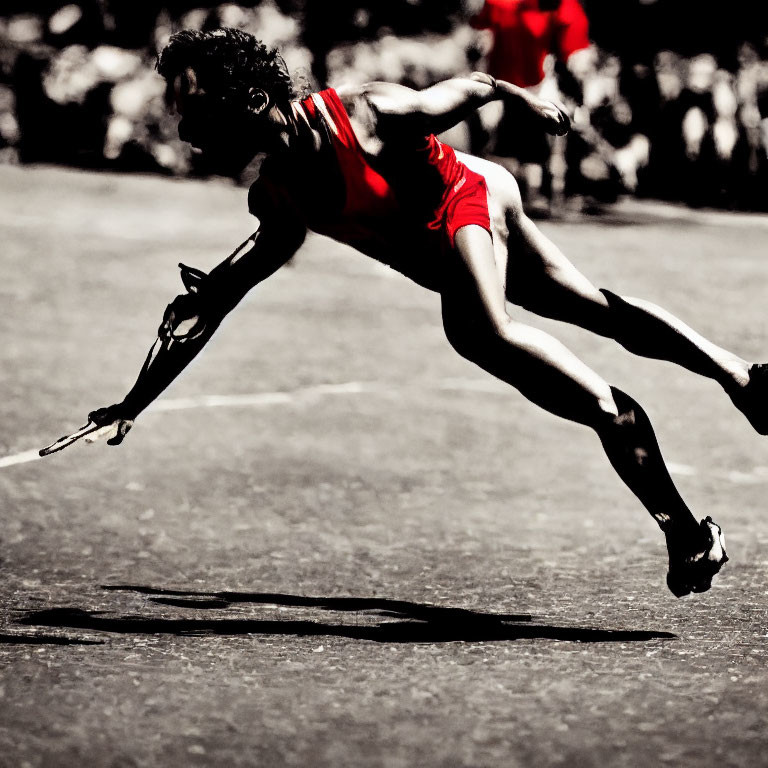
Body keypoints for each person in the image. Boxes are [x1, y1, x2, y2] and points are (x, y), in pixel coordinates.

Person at [69, 27, 762, 598]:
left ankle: (620, 412)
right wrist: (135, 399)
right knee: (590, 307)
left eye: (195, 108)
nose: (184, 128)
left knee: (478, 331)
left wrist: (530, 103)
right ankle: (732, 413)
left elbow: (476, 88)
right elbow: (215, 303)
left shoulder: (363, 113)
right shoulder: (279, 196)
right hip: (455, 243)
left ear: (251, 99)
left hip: (471, 198)